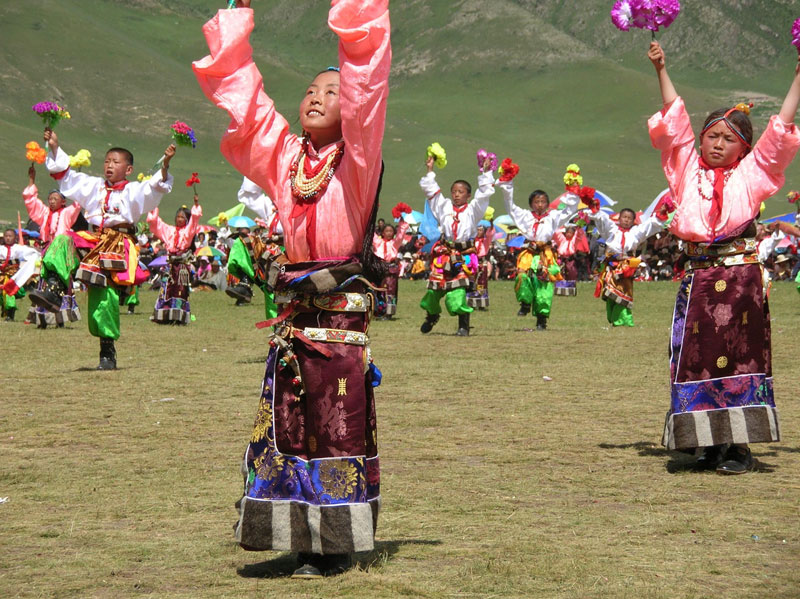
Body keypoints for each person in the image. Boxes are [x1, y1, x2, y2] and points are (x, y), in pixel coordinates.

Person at [193, 0, 389, 578]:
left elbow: (368, 83)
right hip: (295, 321)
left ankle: (337, 546)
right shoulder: (287, 160)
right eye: (309, 89)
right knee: (289, 428)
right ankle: (296, 540)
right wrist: (234, 27)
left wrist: (356, 19)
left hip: (338, 322)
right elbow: (251, 112)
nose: (316, 97)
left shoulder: (357, 161)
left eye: (331, 92)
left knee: (336, 428)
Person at [648, 40, 800, 473]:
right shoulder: (686, 171)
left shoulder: (753, 175)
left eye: (727, 139)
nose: (716, 144)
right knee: (693, 357)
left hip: (740, 282)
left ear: (744, 149)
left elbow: (780, 130)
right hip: (698, 280)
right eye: (711, 135)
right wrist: (662, 67)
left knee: (739, 359)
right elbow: (673, 121)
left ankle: (737, 447)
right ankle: (704, 443)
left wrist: (797, 77)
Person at [44, 127, 175, 369]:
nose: (109, 165)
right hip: (95, 239)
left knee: (104, 295)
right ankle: (53, 289)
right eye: (106, 161)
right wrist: (54, 146)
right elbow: (66, 177)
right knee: (63, 241)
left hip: (118, 243)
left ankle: (107, 350)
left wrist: (164, 165)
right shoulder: (93, 185)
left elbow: (156, 187)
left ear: (128, 169)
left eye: (115, 161)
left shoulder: (134, 189)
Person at [418, 156, 496, 336]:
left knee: (458, 292)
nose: (456, 194)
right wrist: (430, 169)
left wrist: (485, 173)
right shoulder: (444, 206)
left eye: (461, 192)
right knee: (433, 291)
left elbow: (483, 195)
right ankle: (431, 316)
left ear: (468, 195)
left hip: (463, 255)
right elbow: (432, 193)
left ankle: (463, 325)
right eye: (454, 191)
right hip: (444, 253)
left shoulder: (473, 210)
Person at [500, 180, 579, 330]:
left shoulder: (554, 216)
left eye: (543, 201)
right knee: (522, 276)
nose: (540, 205)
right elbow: (510, 207)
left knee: (544, 285)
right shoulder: (524, 215)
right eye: (537, 202)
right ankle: (525, 302)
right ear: (531, 204)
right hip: (529, 252)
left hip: (545, 254)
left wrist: (573, 191)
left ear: (548, 203)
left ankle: (541, 320)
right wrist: (507, 187)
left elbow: (569, 210)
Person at [23, 165, 82, 328]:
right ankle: (42, 319)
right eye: (50, 199)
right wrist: (31, 180)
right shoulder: (44, 213)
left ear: (63, 201)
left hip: (61, 253)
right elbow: (32, 203)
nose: (51, 201)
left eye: (55, 199)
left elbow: (78, 204)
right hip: (47, 251)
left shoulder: (67, 213)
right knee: (45, 283)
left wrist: (77, 178)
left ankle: (60, 320)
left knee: (60, 283)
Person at [588, 207, 666, 327]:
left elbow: (648, 226)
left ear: (633, 221)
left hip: (627, 267)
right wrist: (595, 210)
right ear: (619, 218)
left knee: (624, 291)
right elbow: (603, 220)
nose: (626, 220)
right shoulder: (612, 230)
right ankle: (613, 318)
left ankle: (623, 320)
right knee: (610, 292)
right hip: (612, 266)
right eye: (624, 217)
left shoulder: (635, 232)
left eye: (629, 218)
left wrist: (660, 214)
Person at [228, 176, 284, 319]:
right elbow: (247, 195)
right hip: (274, 254)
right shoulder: (270, 207)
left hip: (297, 251)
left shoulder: (302, 204)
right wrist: (255, 162)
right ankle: (245, 281)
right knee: (242, 242)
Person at [146, 196, 202, 324]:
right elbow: (157, 225)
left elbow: (194, 222)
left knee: (180, 290)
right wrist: (152, 206)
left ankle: (178, 316)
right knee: (166, 290)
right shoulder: (169, 230)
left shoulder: (188, 232)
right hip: (170, 265)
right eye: (178, 216)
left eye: (182, 217)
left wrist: (196, 204)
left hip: (182, 266)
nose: (179, 219)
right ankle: (163, 315)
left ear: (186, 219)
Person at [372, 216, 409, 318]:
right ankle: (378, 311)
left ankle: (389, 313)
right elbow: (371, 235)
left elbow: (401, 235)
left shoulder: (395, 243)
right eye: (386, 231)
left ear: (393, 233)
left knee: (390, 291)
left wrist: (402, 223)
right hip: (379, 269)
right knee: (377, 289)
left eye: (391, 231)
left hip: (391, 269)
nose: (389, 233)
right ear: (382, 233)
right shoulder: (378, 242)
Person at [1, 229, 39, 321]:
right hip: (1, 275)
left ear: (15, 238)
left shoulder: (19, 248)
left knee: (10, 294)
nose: (8, 238)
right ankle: (5, 311)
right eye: (6, 236)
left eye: (10, 236)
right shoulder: (1, 248)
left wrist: (38, 251)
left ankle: (10, 315)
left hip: (13, 276)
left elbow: (32, 253)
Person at [553, 222, 590, 296]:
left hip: (571, 259)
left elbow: (578, 236)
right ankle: (560, 290)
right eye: (567, 232)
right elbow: (557, 234)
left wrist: (579, 228)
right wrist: (559, 225)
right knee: (561, 274)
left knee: (571, 274)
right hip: (562, 259)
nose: (568, 234)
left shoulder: (574, 241)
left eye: (570, 233)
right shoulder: (562, 240)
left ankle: (570, 290)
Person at [466, 221, 494, 310]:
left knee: (482, 283)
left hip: (482, 263)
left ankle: (481, 304)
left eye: (481, 230)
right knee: (472, 283)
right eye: (477, 230)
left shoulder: (486, 241)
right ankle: (471, 303)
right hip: (473, 263)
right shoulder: (472, 241)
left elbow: (490, 233)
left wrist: (491, 223)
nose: (479, 232)